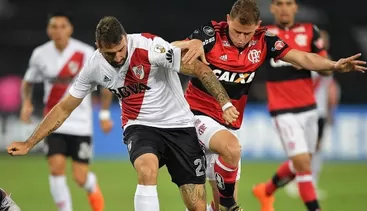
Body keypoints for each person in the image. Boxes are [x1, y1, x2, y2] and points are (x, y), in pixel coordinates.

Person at [8, 16, 240, 211]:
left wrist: (225, 104)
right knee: (147, 170)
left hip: (180, 125)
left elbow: (199, 68)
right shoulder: (94, 66)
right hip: (140, 126)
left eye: (121, 50)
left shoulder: (150, 47)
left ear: (125, 38)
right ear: (98, 46)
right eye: (111, 53)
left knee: (196, 205)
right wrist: (30, 143)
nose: (118, 57)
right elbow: (64, 107)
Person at [173, 0, 366, 210]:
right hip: (197, 116)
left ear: (258, 26)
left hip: (230, 123)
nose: (240, 38)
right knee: (231, 151)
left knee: (218, 205)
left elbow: (301, 58)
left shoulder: (265, 41)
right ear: (228, 20)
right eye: (236, 31)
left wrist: (334, 65)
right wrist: (188, 43)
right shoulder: (209, 34)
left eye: (246, 33)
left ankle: (225, 204)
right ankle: (230, 204)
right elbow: (169, 50)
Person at [249, 0, 360, 210]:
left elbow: (324, 66)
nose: (284, 8)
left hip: (309, 107)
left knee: (301, 162)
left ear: (295, 7)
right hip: (282, 109)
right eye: (279, 4)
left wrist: (334, 67)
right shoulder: (263, 34)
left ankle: (266, 190)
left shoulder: (310, 31)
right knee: (302, 164)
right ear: (272, 8)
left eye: (288, 3)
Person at [19, 12, 112, 211]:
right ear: (48, 30)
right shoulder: (40, 54)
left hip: (81, 124)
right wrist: (26, 103)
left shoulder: (86, 52)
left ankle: (91, 184)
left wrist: (104, 115)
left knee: (80, 177)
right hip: (53, 122)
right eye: (54, 26)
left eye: (63, 26)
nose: (59, 31)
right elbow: (28, 81)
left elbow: (105, 84)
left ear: (70, 29)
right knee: (56, 168)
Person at [283, 30, 341, 199]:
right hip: (304, 109)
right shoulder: (305, 59)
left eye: (325, 41)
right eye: (321, 40)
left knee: (315, 148)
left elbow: (330, 88)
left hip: (320, 111)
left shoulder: (326, 62)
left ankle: (310, 182)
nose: (323, 43)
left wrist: (331, 109)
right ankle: (297, 182)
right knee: (305, 149)